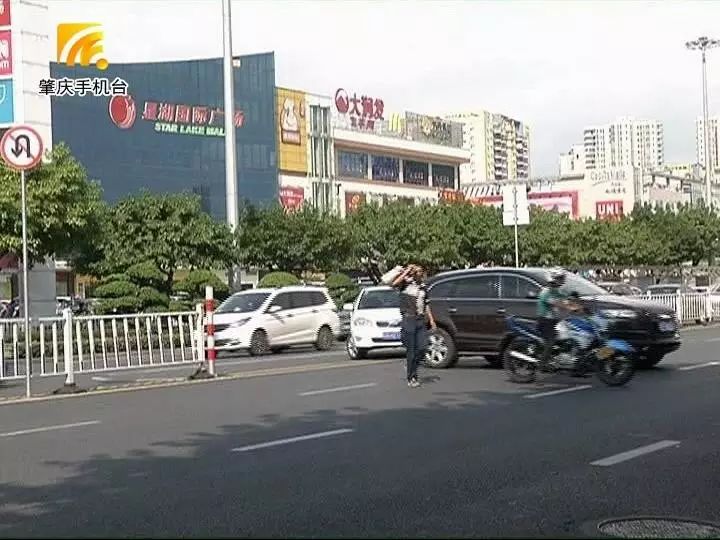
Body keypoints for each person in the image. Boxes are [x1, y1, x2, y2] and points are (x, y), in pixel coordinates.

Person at [390, 264, 436, 388]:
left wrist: (431, 320)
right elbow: (394, 283)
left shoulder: (423, 288)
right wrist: (407, 271)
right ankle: (412, 376)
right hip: (408, 319)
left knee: (423, 347)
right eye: (417, 271)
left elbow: (427, 305)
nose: (420, 273)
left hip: (420, 320)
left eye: (421, 271)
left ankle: (412, 365)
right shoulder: (405, 284)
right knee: (411, 350)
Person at [536, 268, 570, 370]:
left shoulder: (556, 291)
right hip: (546, 322)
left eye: (562, 278)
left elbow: (566, 299)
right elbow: (558, 303)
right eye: (560, 278)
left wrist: (578, 304)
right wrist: (570, 306)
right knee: (551, 341)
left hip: (556, 321)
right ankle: (542, 364)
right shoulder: (545, 292)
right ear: (553, 279)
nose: (562, 280)